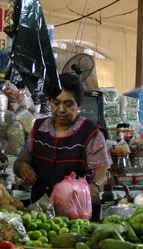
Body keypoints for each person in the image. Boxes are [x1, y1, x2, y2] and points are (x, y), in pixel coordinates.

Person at [14, 73, 111, 216]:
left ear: (78, 104)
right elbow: (19, 162)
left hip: (79, 215)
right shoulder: (39, 128)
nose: (61, 109)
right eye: (56, 102)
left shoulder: (90, 133)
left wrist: (95, 186)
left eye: (68, 104)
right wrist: (22, 168)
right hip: (40, 214)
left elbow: (105, 170)